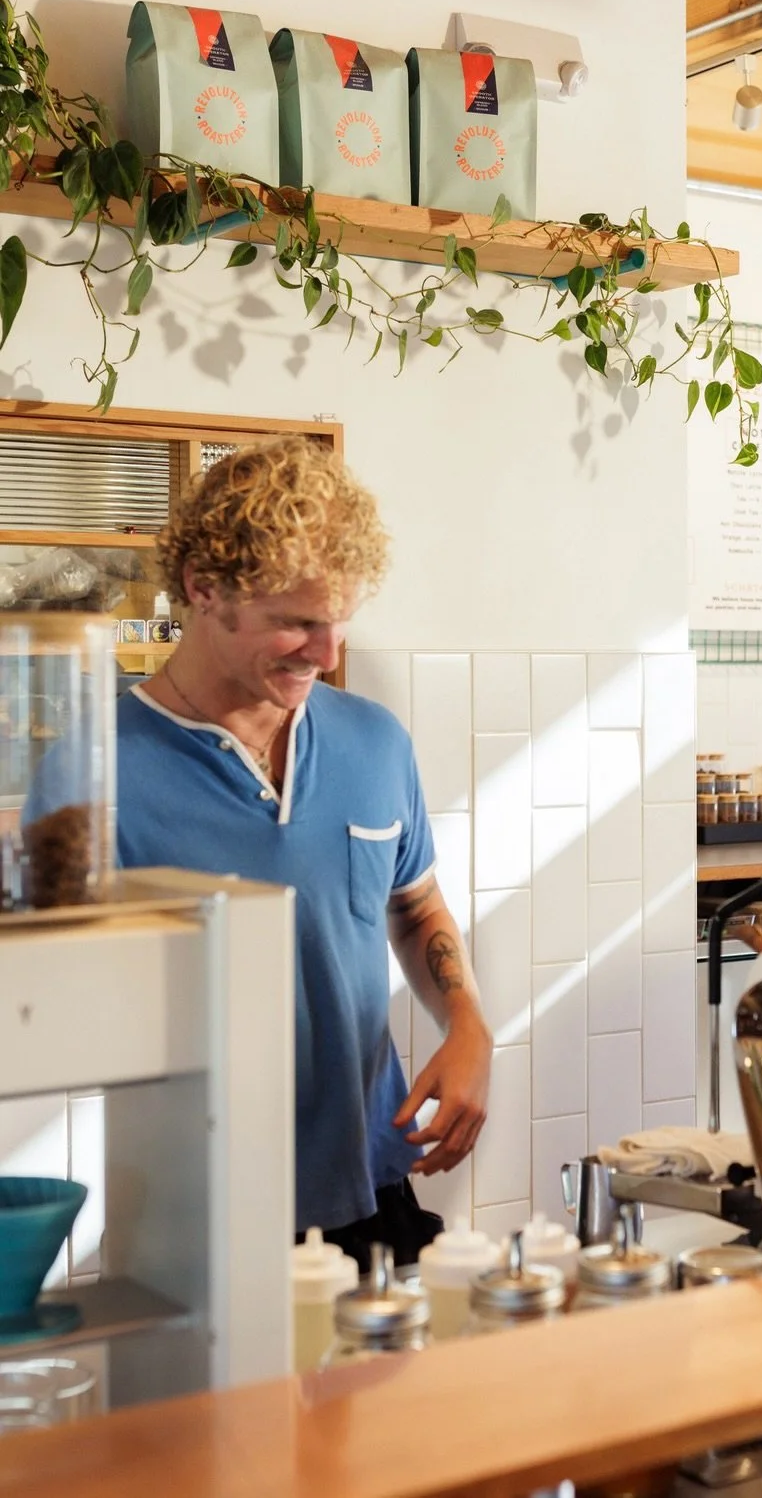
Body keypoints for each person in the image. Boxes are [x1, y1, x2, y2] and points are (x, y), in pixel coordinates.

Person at [116, 436, 493, 1266]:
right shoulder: (98, 767)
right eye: (296, 624)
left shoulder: (372, 741)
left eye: (339, 622)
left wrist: (466, 1022)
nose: (326, 656)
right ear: (203, 590)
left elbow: (412, 903)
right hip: (195, 1214)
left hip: (373, 1189)